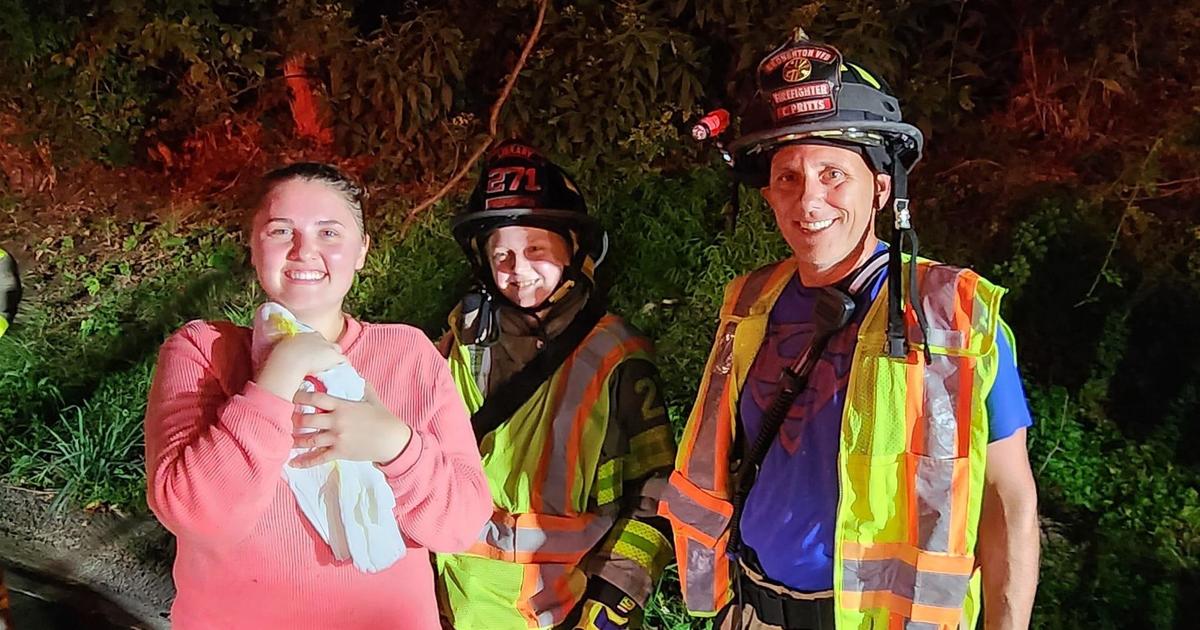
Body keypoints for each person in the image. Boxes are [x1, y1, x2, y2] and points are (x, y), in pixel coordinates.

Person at [658, 30, 1040, 630]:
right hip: (753, 612)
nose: (809, 200)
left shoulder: (954, 314)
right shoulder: (749, 301)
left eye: (834, 173)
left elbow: (1008, 499)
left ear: (882, 188)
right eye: (788, 177)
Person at [143, 162, 492, 629]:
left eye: (329, 232)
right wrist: (280, 373)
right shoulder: (203, 351)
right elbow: (196, 515)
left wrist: (395, 446)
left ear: (362, 250)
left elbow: (461, 525)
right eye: (281, 230)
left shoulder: (408, 354)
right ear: (253, 245)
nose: (305, 250)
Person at [434, 141, 676, 630]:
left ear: (574, 249)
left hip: (565, 611)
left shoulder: (617, 354)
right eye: (501, 254)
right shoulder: (461, 337)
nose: (517, 271)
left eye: (536, 250)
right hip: (449, 603)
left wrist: (612, 604)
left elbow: (656, 495)